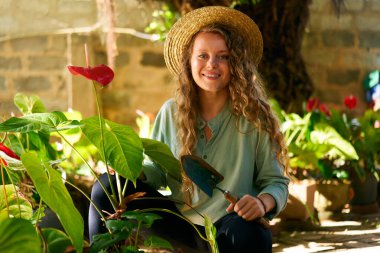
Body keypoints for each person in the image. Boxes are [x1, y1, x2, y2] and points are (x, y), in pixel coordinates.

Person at [89, 6, 289, 253]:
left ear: (236, 63)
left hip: (229, 225)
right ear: (189, 61)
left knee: (255, 236)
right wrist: (132, 170)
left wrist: (260, 203)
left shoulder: (255, 118)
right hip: (177, 224)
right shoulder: (171, 112)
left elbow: (276, 182)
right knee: (105, 186)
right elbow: (157, 170)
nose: (212, 64)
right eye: (202, 55)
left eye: (223, 56)